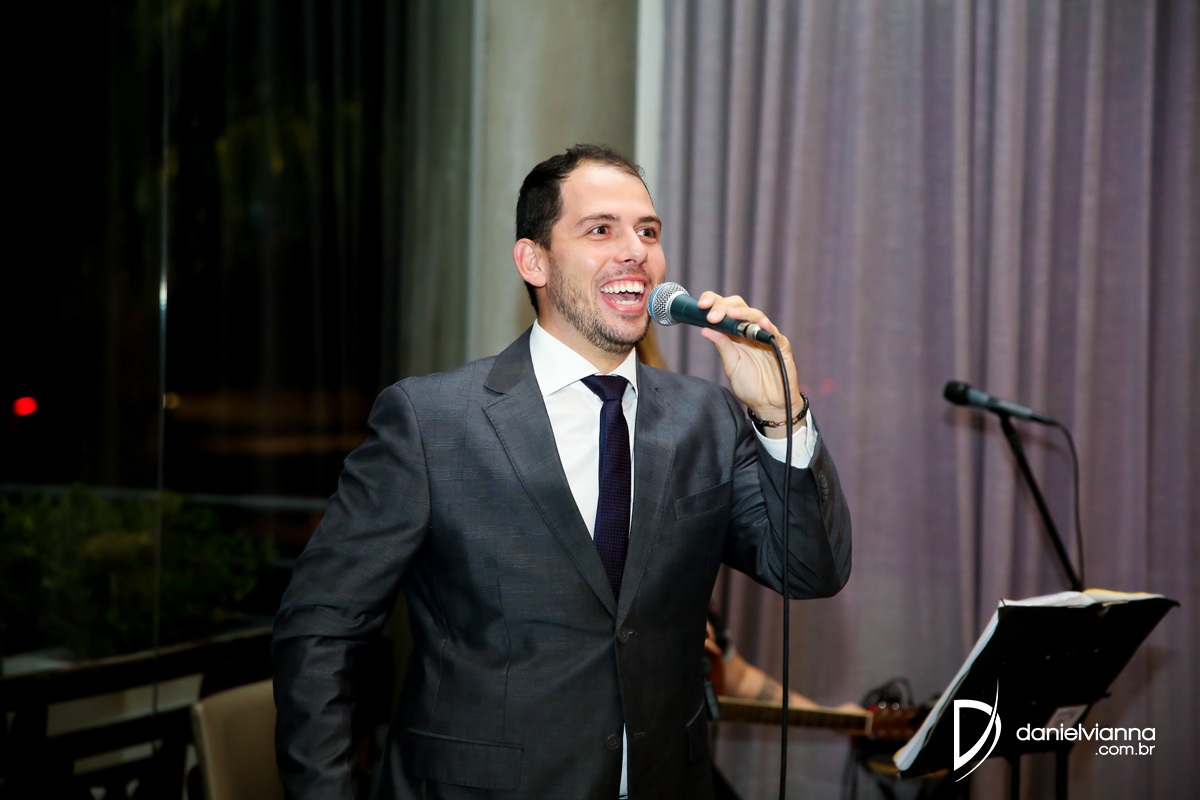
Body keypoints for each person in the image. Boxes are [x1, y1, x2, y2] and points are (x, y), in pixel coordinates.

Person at [271, 143, 852, 799]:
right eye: (601, 229)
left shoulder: (707, 418)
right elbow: (319, 630)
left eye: (648, 232)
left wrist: (781, 415)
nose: (635, 251)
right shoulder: (431, 421)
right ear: (534, 261)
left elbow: (810, 569)